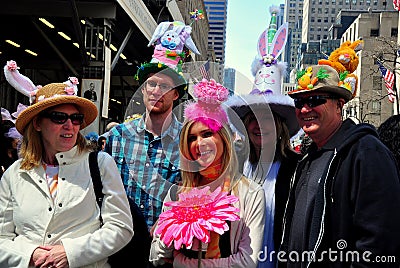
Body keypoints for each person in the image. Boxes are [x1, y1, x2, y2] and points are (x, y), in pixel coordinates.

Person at [0, 60, 133, 267]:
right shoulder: (14, 173)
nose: (69, 125)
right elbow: (2, 238)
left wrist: (70, 253)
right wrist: (30, 255)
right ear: (37, 123)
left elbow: (121, 227)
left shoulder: (100, 164)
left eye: (76, 118)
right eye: (58, 117)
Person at [280, 64, 400, 267]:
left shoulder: (366, 152)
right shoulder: (307, 158)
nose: (305, 109)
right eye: (299, 102)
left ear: (339, 105)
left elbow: (380, 242)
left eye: (315, 100)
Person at [105, 19, 200, 267]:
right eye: (152, 84)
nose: (157, 91)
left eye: (165, 86)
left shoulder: (188, 141)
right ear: (144, 89)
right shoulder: (117, 138)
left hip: (167, 252)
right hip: (120, 249)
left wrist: (170, 219)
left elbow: (194, 192)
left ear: (177, 93)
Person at [150, 78, 266, 268]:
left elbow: (247, 262)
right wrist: (170, 232)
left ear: (224, 139)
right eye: (192, 138)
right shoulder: (177, 193)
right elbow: (156, 256)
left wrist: (182, 262)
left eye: (206, 134)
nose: (199, 144)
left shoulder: (251, 193)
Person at [225, 11, 301, 267]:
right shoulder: (232, 166)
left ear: (280, 127)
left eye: (267, 119)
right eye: (253, 119)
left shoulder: (297, 168)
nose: (259, 126)